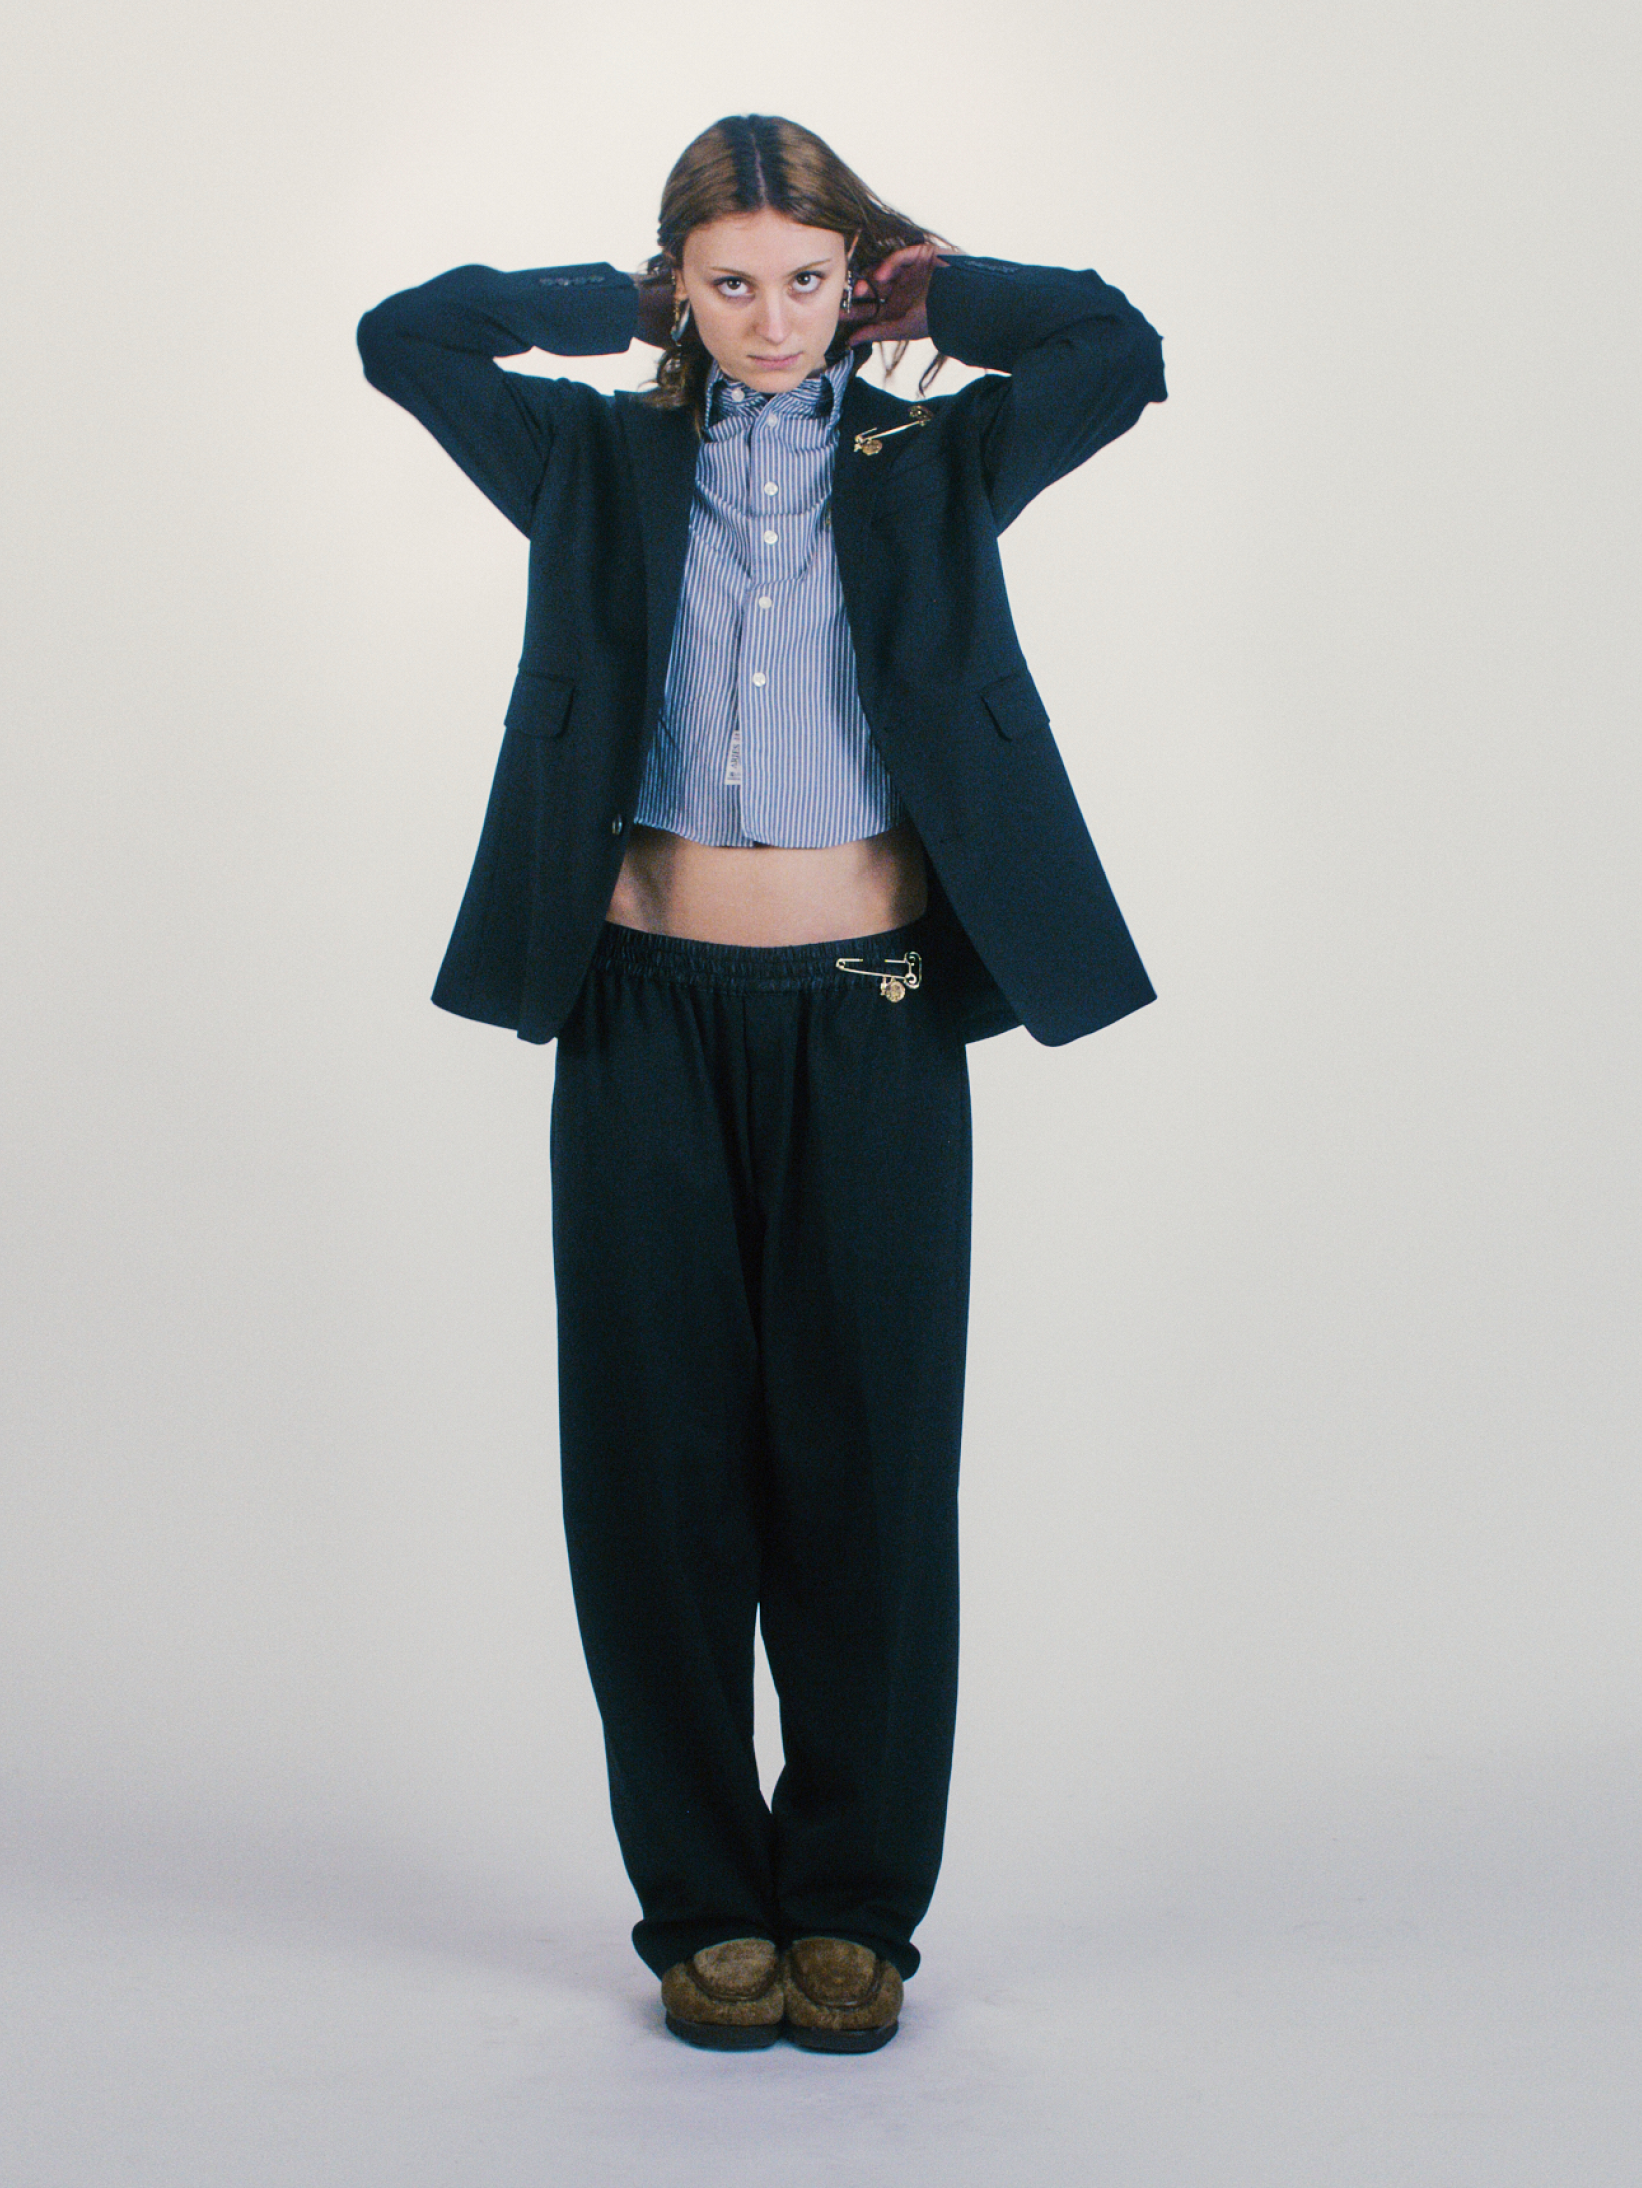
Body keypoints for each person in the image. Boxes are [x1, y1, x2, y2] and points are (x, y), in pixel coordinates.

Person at [357, 112, 1165, 2053]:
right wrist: (608, 305)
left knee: (866, 1466)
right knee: (652, 1473)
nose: (774, 318)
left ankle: (854, 1908)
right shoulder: (587, 458)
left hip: (874, 1012)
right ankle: (705, 1906)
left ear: (850, 278)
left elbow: (1119, 352)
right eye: (729, 282)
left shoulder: (938, 458)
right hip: (639, 1009)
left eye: (807, 279)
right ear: (682, 287)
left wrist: (941, 294)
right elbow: (405, 337)